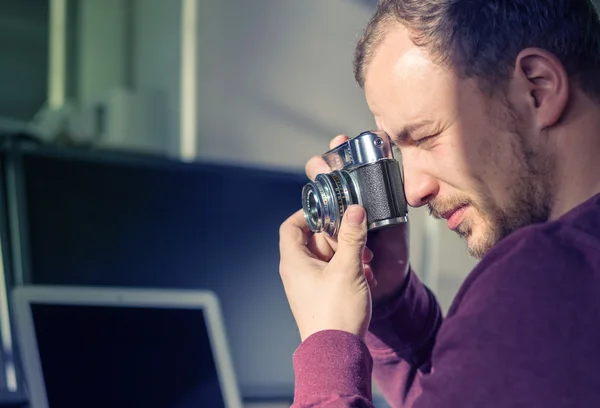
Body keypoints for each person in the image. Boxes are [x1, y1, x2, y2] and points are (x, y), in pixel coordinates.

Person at [278, 0, 600, 407]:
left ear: (538, 89)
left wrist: (328, 343)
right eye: (398, 149)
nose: (412, 192)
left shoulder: (545, 274)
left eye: (427, 137)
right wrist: (391, 297)